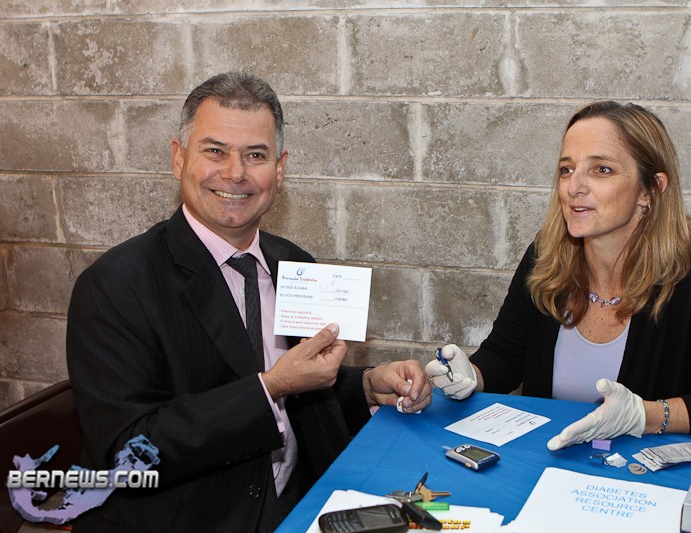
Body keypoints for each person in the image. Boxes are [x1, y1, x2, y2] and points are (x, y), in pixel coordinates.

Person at [66, 71, 431, 532]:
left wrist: (366, 385)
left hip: (299, 503)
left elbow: (299, 390)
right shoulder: (114, 285)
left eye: (255, 155)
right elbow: (127, 451)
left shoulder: (294, 263)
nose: (235, 173)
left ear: (279, 169)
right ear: (178, 158)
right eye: (214, 151)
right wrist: (270, 387)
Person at [426, 101, 691, 451]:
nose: (574, 186)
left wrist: (645, 416)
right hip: (551, 464)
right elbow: (505, 358)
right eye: (567, 169)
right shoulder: (546, 254)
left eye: (602, 170)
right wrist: (470, 376)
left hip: (647, 476)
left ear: (650, 190)